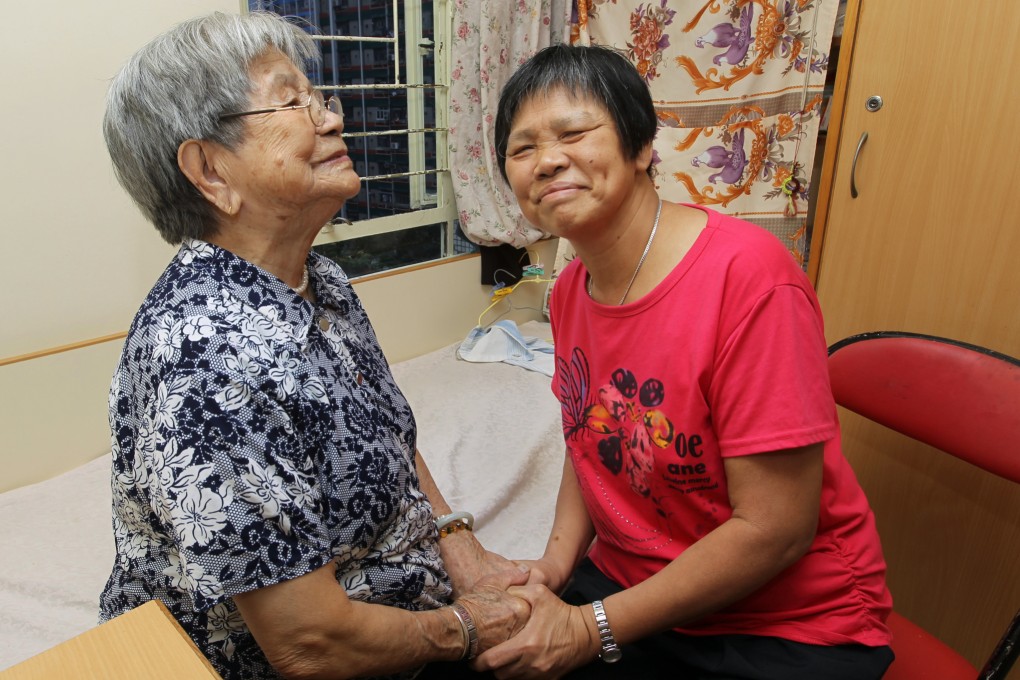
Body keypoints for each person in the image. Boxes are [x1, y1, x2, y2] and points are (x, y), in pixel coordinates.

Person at [99, 11, 529, 679]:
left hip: (407, 605)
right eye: (291, 101)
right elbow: (309, 649)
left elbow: (383, 432)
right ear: (210, 170)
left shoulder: (315, 276)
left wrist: (459, 547)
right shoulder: (207, 361)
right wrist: (468, 629)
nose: (331, 118)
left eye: (318, 96)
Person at [475, 44, 894, 679]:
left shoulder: (749, 280)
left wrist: (590, 628)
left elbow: (775, 531)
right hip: (634, 584)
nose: (548, 160)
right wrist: (555, 567)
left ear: (643, 146)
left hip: (785, 621)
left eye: (574, 132)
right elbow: (591, 436)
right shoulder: (568, 291)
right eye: (522, 148)